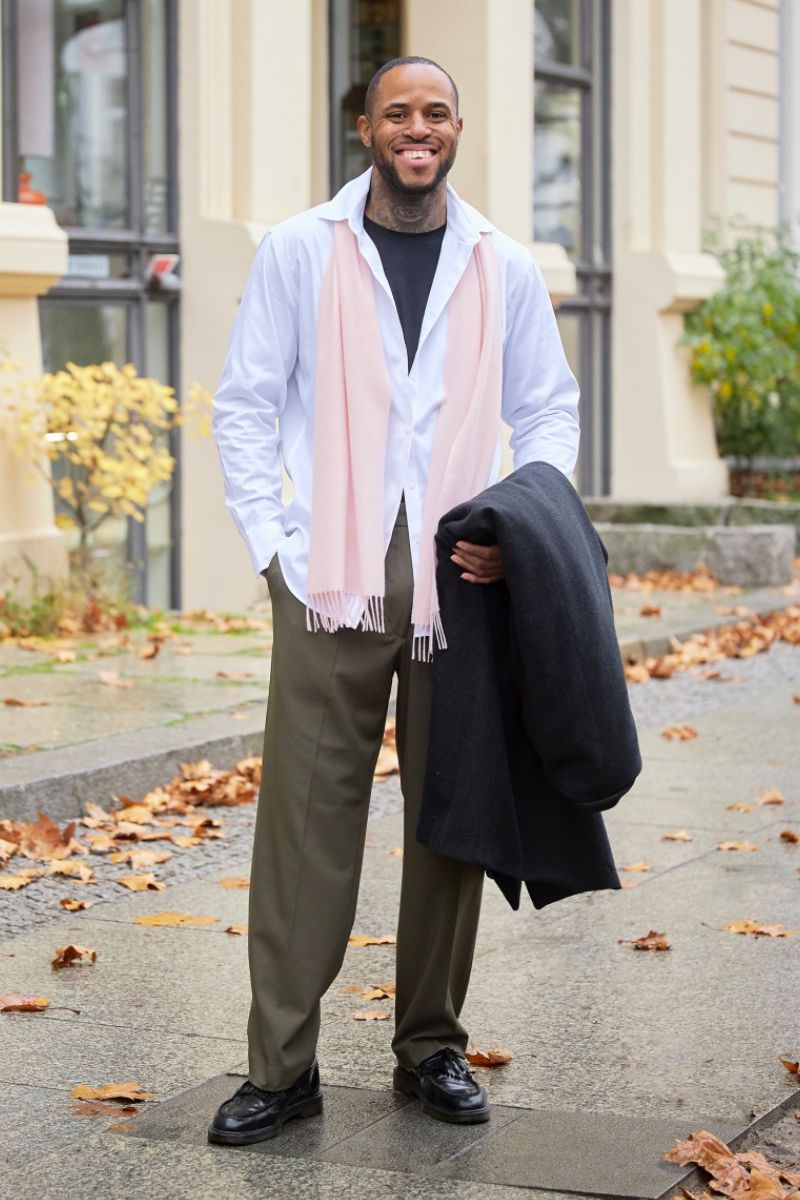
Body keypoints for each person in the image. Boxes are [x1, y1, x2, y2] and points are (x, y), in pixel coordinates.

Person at [207, 55, 580, 1147]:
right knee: (304, 822)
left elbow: (548, 412)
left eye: (435, 113)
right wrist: (274, 545)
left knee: (449, 816)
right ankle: (281, 1067)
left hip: (458, 574)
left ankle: (430, 1047)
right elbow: (243, 405)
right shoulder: (297, 250)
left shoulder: (499, 265)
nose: (416, 129)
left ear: (456, 129)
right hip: (328, 571)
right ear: (363, 127)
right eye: (395, 112)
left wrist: (519, 526)